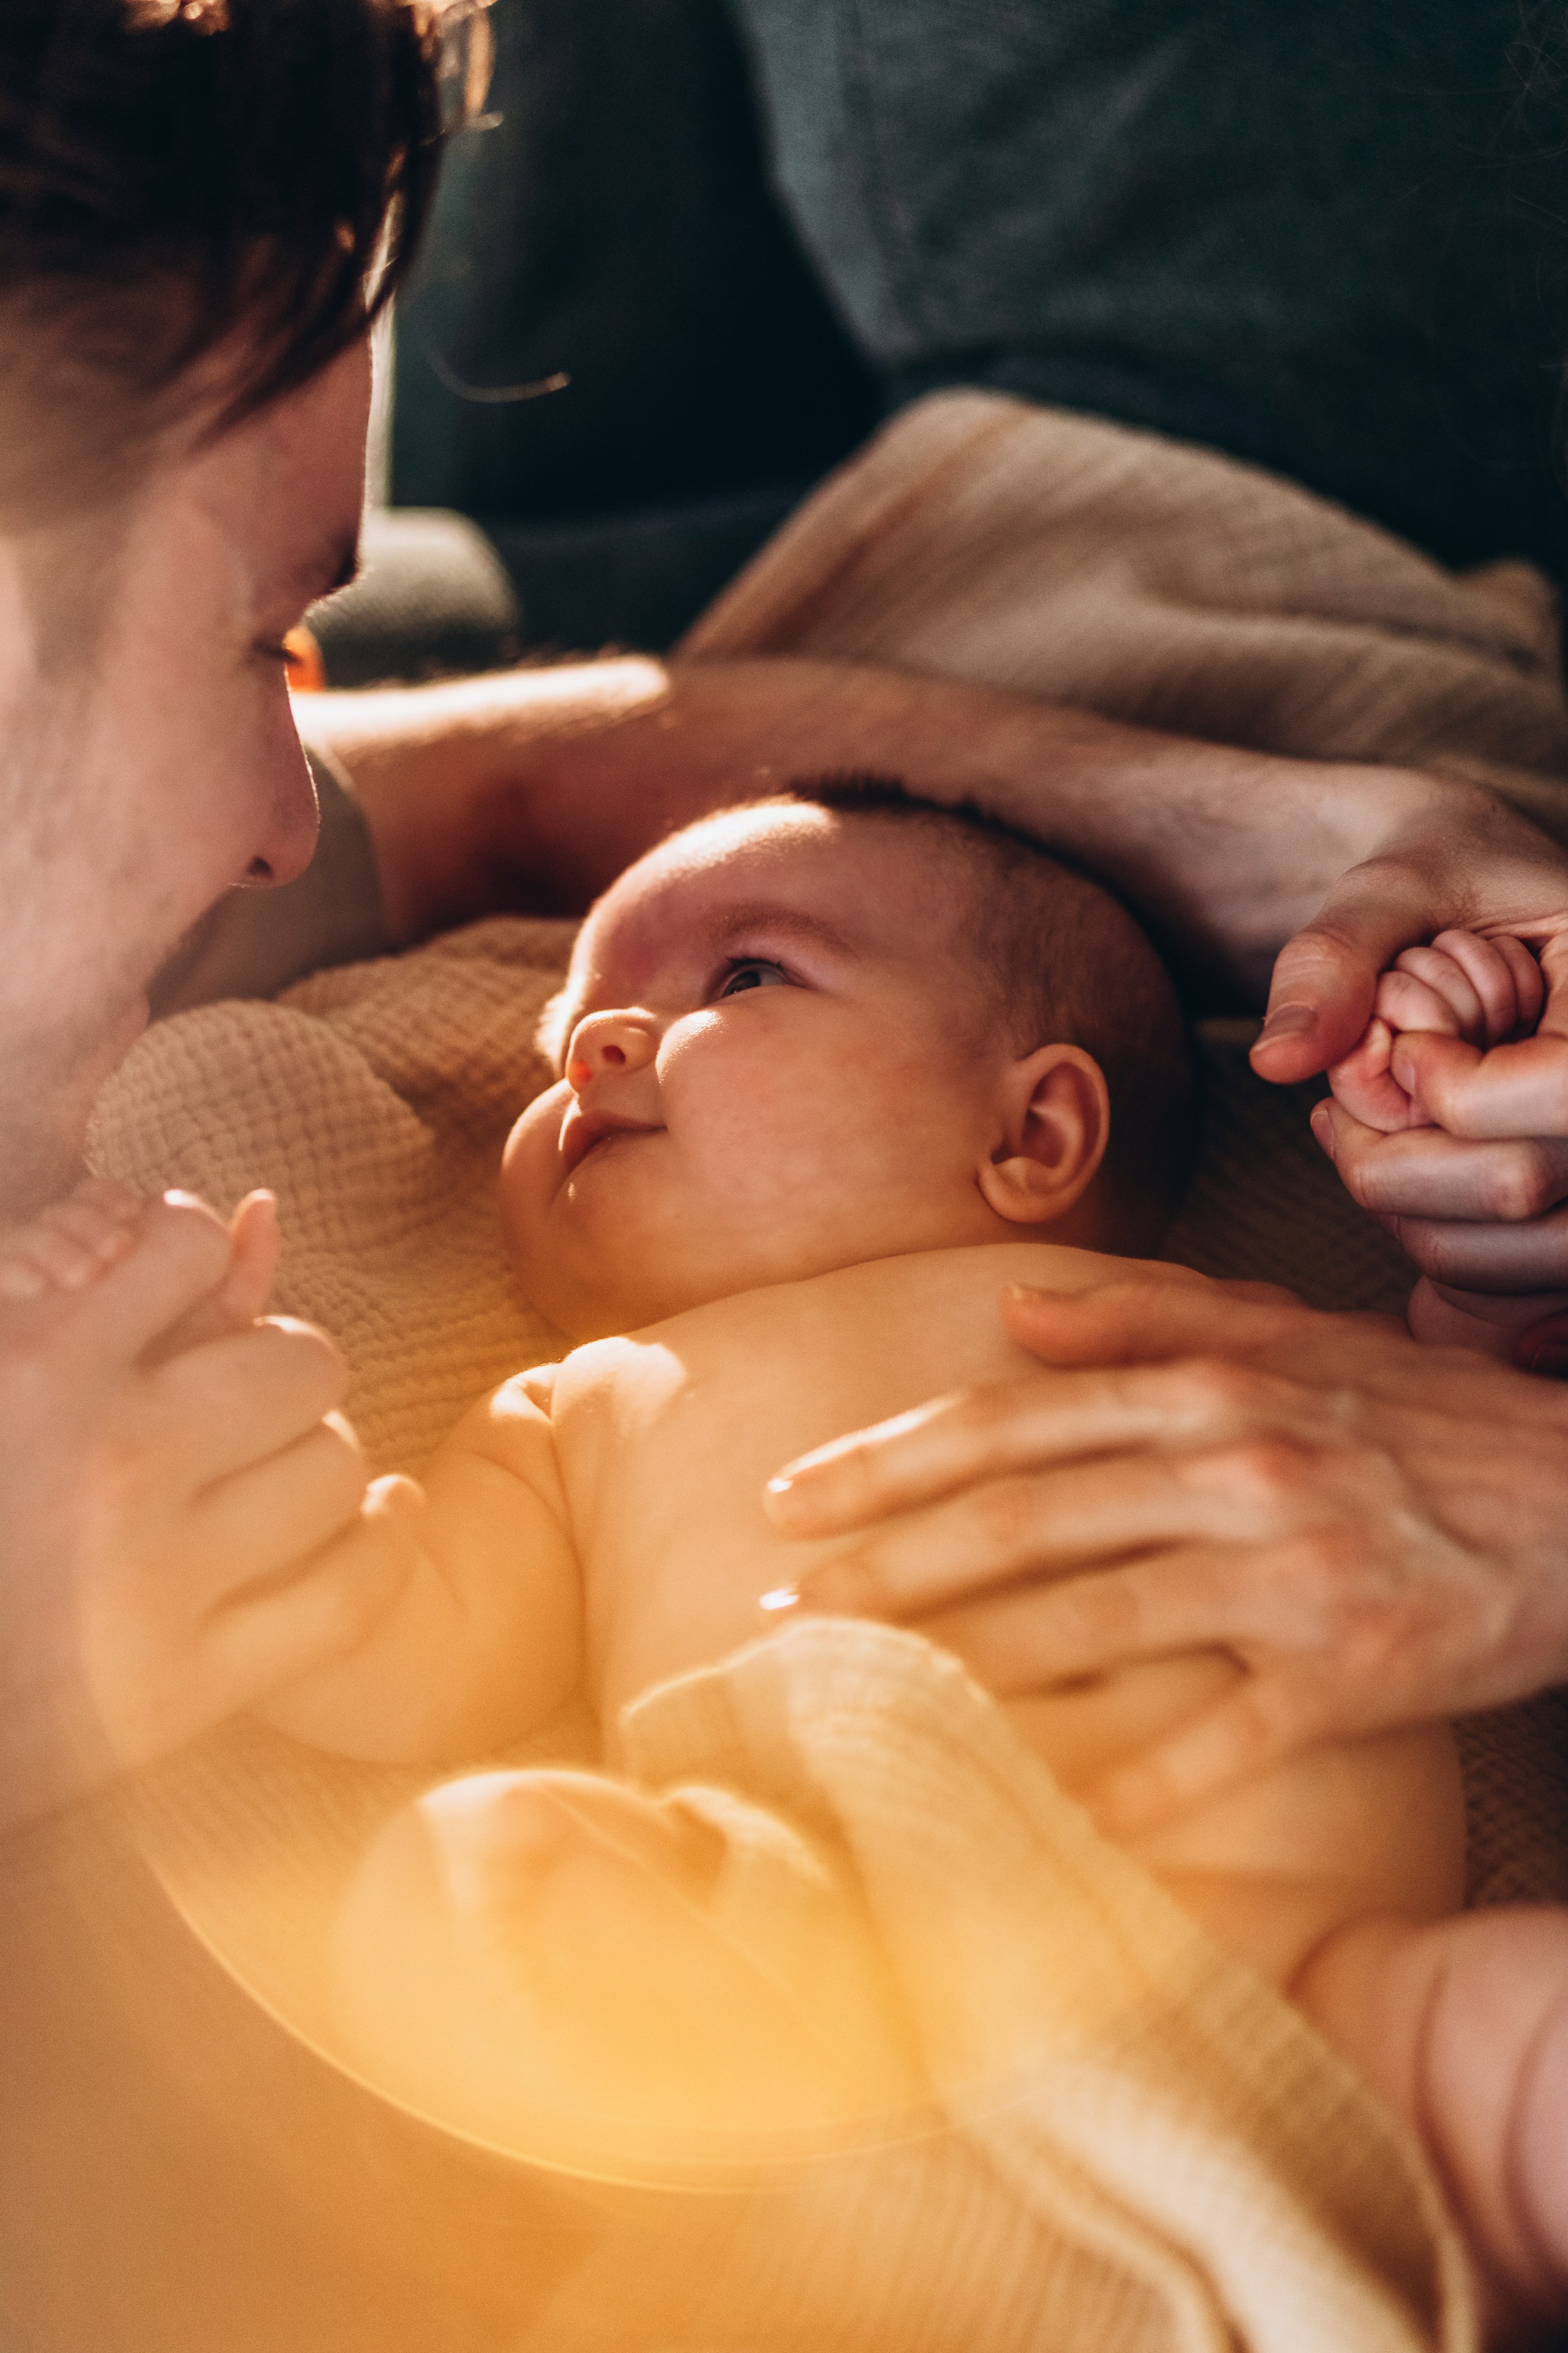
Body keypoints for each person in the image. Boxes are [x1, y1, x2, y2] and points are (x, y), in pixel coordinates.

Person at [25, 789, 1562, 2333]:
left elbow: (1466, 1432)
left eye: (742, 976)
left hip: (1305, 1993)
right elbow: (416, 1652)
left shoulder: (1218, 1333)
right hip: (806, 1947)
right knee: (477, 1870)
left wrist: (1457, 1134)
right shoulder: (570, 1411)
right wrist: (241, 1435)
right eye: (561, 1037)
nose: (592, 1045)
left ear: (1031, 1134)